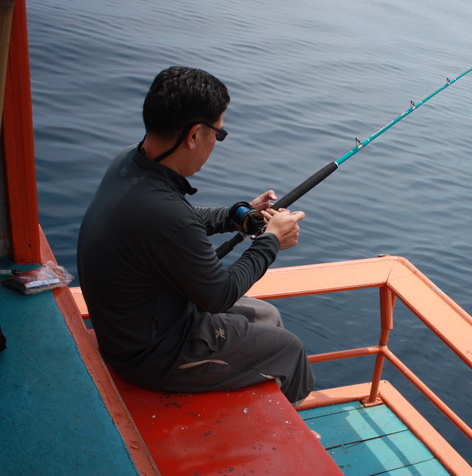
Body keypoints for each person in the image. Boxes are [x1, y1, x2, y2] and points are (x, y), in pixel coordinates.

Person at [77, 66, 315, 404]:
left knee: (267, 315)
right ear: (193, 136)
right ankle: (294, 430)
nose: (215, 143)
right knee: (290, 349)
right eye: (217, 134)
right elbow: (219, 295)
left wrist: (241, 215)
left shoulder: (129, 163)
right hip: (152, 356)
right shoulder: (164, 214)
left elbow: (182, 218)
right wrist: (271, 241)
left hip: (141, 323)